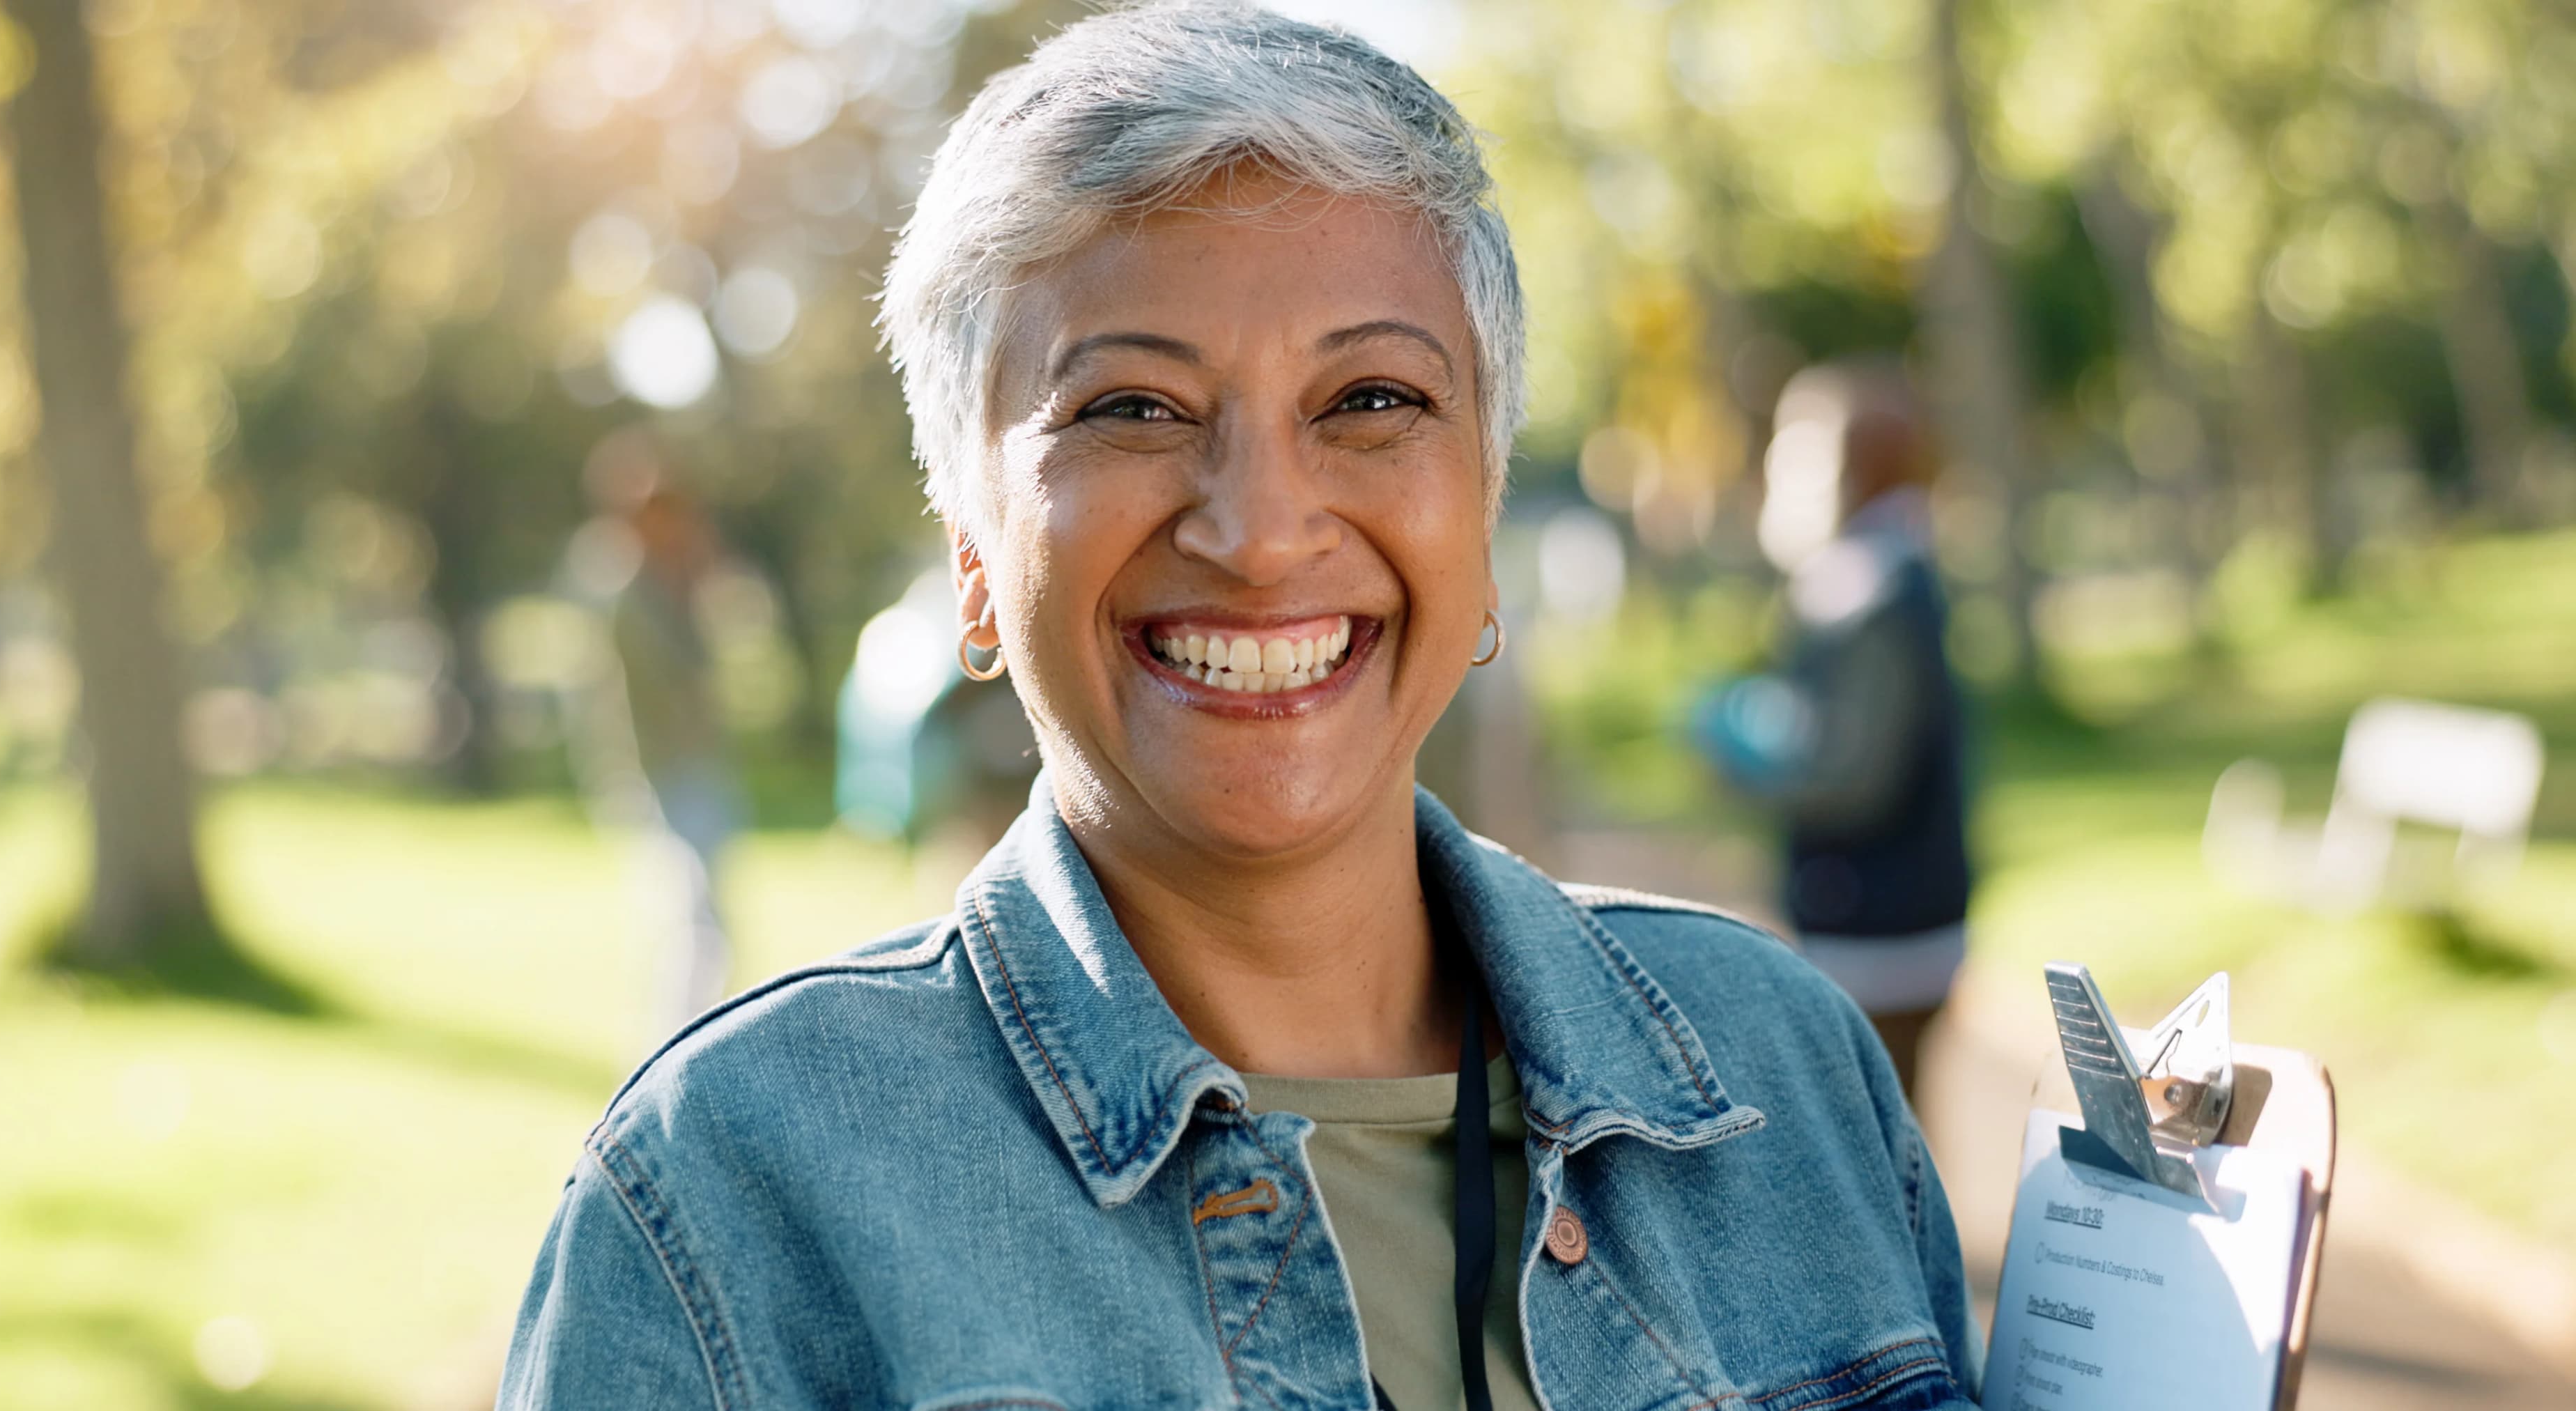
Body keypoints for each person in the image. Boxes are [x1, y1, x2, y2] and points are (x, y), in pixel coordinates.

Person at [501, 6, 1976, 1408]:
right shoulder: (721, 1204)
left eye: (1373, 402)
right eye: (1131, 408)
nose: (1262, 531)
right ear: (969, 560)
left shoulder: (1789, 1075)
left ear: (1484, 511)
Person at [1692, 360, 1976, 1103]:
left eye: (1797, 455)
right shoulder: (1879, 575)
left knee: (1871, 1159)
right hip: (1887, 916)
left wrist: (1747, 760)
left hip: (1878, 928)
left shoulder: (1865, 589)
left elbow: (1855, 775)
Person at [571, 429, 744, 1038]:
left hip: (691, 765)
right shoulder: (622, 591)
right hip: (659, 774)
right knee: (695, 923)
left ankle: (685, 1042)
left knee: (698, 921)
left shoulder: (667, 585)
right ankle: (674, 1049)